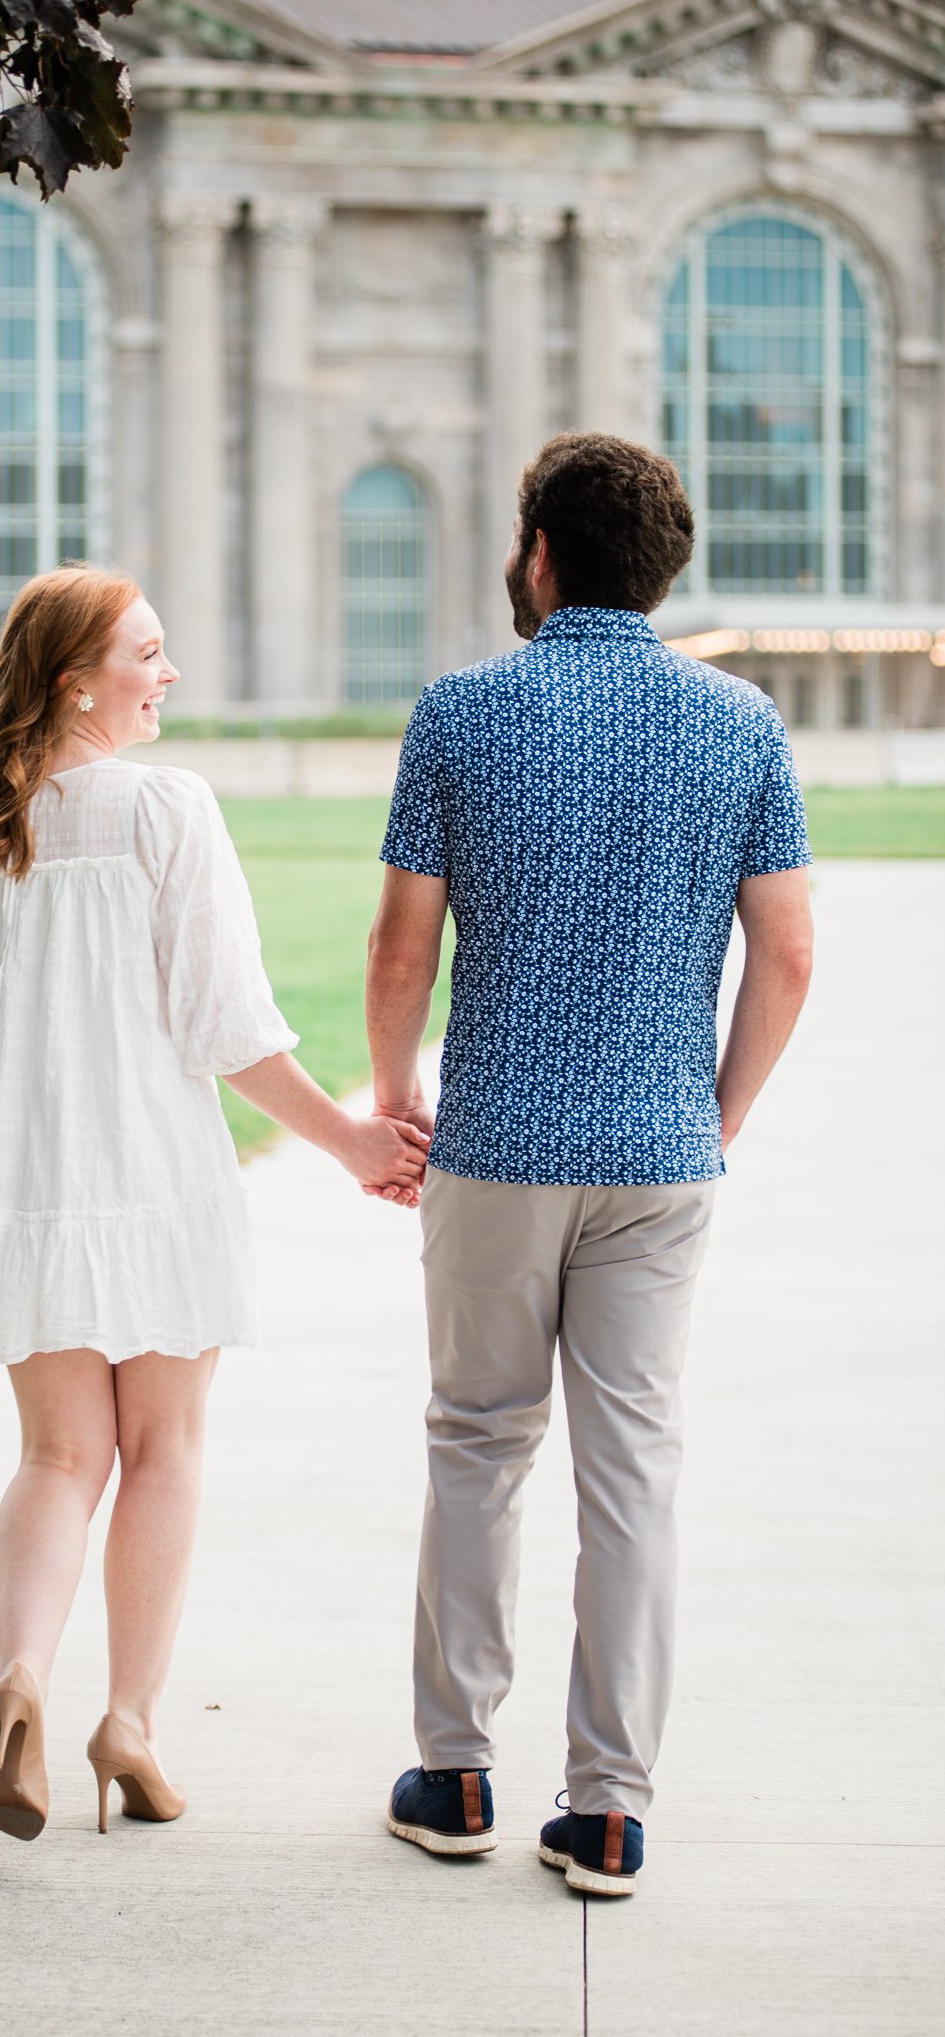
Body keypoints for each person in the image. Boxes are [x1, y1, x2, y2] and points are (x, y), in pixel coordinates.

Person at [0, 564, 429, 1841]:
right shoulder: (162, 808)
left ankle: (19, 1678)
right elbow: (225, 1026)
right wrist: (351, 1139)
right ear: (80, 679)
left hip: (25, 1183)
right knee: (168, 1448)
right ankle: (127, 1721)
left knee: (58, 1455)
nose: (167, 674)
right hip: (150, 1175)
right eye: (148, 653)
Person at [366, 432, 813, 1894]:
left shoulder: (459, 713)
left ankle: (451, 1774)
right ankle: (610, 1807)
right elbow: (787, 956)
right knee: (632, 1474)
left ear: (538, 551)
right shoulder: (742, 724)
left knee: (476, 1446)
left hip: (492, 1144)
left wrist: (391, 1095)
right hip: (657, 1152)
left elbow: (399, 948)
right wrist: (717, 1112)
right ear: (662, 563)